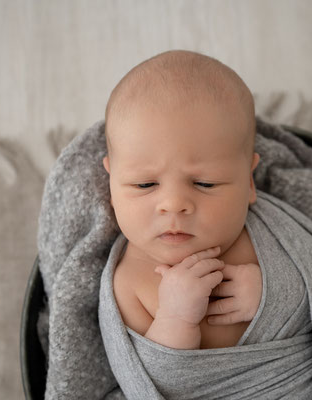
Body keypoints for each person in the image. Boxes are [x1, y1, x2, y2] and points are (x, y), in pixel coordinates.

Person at [102, 49, 263, 350]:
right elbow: (150, 381)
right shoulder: (129, 284)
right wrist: (175, 318)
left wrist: (275, 295)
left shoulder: (268, 238)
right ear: (111, 185)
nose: (174, 204)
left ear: (250, 181)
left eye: (205, 183)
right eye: (144, 184)